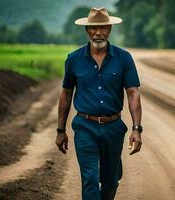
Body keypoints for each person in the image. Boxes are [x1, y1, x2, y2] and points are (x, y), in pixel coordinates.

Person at [55, 7, 143, 200]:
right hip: (85, 128)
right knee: (90, 181)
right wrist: (60, 131)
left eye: (102, 27)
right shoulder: (74, 59)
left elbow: (133, 92)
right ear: (87, 30)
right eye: (93, 28)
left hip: (114, 128)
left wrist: (137, 129)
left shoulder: (124, 58)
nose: (98, 32)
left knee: (111, 181)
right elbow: (66, 93)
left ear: (109, 28)